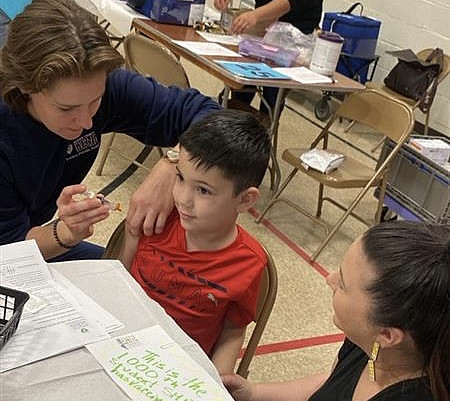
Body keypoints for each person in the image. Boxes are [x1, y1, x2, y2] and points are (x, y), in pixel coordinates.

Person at [0, 0, 220, 261]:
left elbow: (213, 116)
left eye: (95, 102)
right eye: (66, 109)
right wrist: (66, 233)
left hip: (23, 238)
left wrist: (173, 164)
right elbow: (10, 254)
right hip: (10, 253)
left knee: (135, 278)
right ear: (25, 87)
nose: (86, 122)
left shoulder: (100, 82)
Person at [222, 221, 450, 401]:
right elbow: (331, 397)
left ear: (387, 334)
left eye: (342, 283)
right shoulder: (374, 346)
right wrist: (250, 397)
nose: (329, 279)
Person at [118, 110, 271, 374]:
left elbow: (233, 331)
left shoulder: (248, 263)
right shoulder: (158, 217)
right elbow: (117, 278)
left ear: (245, 200)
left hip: (179, 371)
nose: (183, 198)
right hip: (121, 344)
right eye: (179, 178)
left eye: (203, 190)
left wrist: (217, 384)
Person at [214, 0, 323, 113]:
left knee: (273, 93)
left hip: (294, 40)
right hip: (264, 31)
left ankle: (267, 125)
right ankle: (237, 119)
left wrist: (255, 15)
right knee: (243, 83)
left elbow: (287, 3)